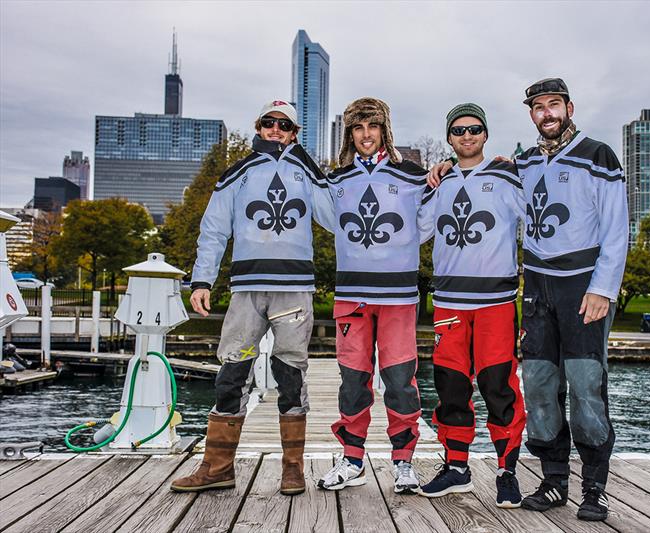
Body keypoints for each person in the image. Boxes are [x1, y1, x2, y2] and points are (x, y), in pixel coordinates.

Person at [171, 100, 334, 496]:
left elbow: (332, 218)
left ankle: (292, 468)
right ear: (258, 127)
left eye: (285, 125)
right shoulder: (237, 173)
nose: (276, 129)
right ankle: (217, 466)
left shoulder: (306, 171)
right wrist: (202, 280)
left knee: (290, 374)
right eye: (268, 122)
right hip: (246, 288)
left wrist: (311, 166)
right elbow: (213, 229)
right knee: (232, 371)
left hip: (294, 288)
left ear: (295, 132)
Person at [516, 78, 627, 521]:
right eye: (538, 107)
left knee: (586, 388)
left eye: (554, 104)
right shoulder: (522, 161)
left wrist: (603, 287)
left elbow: (616, 228)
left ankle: (595, 488)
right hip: (538, 287)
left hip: (583, 287)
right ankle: (555, 480)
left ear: (569, 107)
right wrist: (445, 167)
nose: (547, 113)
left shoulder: (597, 155)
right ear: (531, 114)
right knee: (540, 386)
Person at [416, 103, 526, 508]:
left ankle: (507, 470)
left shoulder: (505, 178)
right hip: (448, 301)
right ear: (449, 137)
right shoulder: (438, 182)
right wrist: (430, 181)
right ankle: (457, 467)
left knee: (499, 386)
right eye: (459, 130)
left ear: (485, 134)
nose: (467, 136)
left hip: (496, 300)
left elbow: (536, 217)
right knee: (451, 386)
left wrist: (523, 165)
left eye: (475, 129)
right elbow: (419, 230)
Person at [316, 97, 427, 494]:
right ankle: (351, 459)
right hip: (352, 296)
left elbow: (427, 221)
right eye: (358, 128)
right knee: (353, 382)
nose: (366, 135)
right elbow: (331, 222)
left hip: (398, 297)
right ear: (350, 133)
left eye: (372, 127)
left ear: (384, 130)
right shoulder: (336, 180)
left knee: (400, 381)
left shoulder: (413, 175)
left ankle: (404, 463)